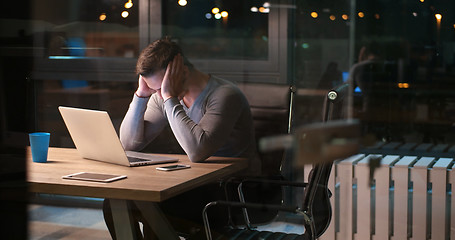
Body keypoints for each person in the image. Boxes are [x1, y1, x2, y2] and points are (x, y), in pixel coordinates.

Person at [103, 37, 260, 239]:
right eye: (154, 89)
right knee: (115, 203)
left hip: (230, 191)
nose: (157, 94)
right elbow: (129, 144)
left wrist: (169, 97)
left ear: (182, 71)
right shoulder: (162, 95)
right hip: (193, 183)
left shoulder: (224, 95)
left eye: (160, 88)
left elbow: (197, 152)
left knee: (155, 210)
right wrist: (141, 95)